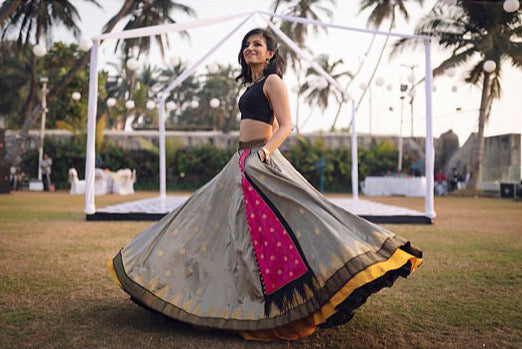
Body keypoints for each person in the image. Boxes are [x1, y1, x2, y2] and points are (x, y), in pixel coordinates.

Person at [109, 28, 423, 341]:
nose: (250, 48)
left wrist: (264, 152)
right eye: (247, 45)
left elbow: (285, 125)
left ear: (270, 53)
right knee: (217, 226)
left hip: (259, 160)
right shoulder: (252, 86)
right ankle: (210, 295)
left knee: (300, 217)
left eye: (257, 44)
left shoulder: (273, 82)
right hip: (241, 161)